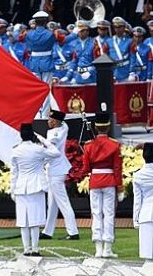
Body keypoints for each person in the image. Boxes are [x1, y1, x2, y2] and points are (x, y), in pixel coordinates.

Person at [10, 123, 60, 256]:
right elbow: (56, 152)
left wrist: (12, 189)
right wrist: (43, 140)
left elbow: (14, 173)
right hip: (36, 186)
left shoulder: (16, 150)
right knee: (35, 221)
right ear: (32, 135)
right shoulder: (37, 149)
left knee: (23, 221)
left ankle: (26, 249)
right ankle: (35, 249)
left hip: (21, 187)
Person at [82, 112, 123, 258]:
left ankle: (98, 248)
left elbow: (86, 168)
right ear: (108, 126)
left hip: (95, 180)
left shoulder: (89, 146)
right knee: (109, 214)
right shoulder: (114, 144)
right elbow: (117, 168)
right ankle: (107, 248)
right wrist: (120, 187)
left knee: (96, 214)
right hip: (109, 180)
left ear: (95, 126)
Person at [40, 110, 79, 240]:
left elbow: (50, 149)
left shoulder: (55, 134)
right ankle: (47, 231)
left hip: (56, 171)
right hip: (55, 170)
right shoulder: (64, 127)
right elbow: (64, 121)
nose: (47, 121)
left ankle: (73, 232)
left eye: (50, 119)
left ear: (55, 122)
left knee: (63, 202)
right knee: (52, 203)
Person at [21, 11, 55, 116]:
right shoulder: (50, 33)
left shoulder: (29, 34)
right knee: (46, 89)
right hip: (47, 63)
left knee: (36, 90)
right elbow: (62, 40)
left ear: (35, 22)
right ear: (45, 22)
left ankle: (35, 114)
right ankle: (44, 114)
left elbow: (20, 38)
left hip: (34, 63)